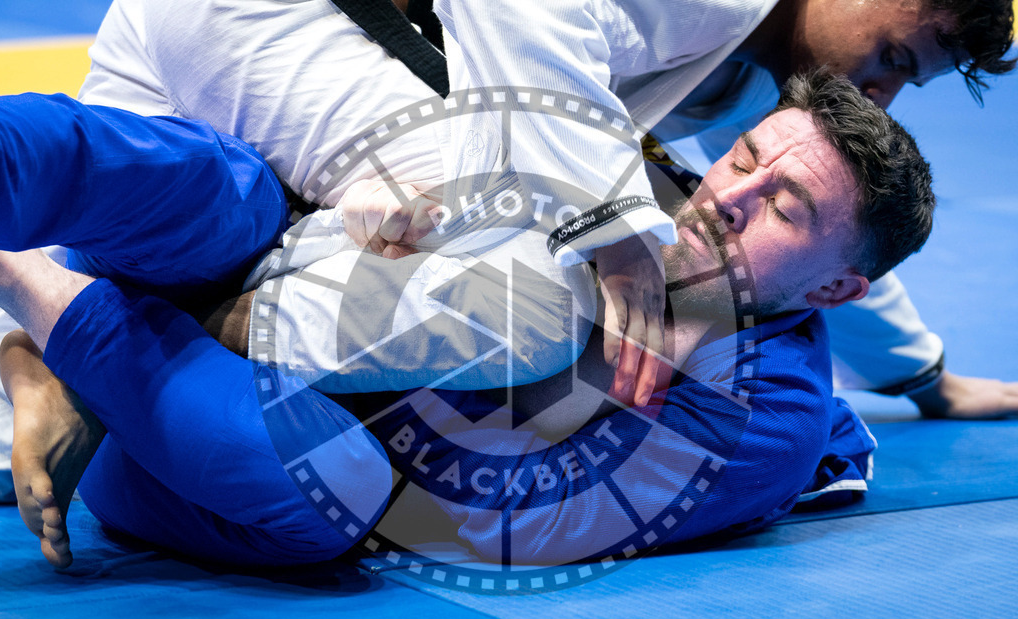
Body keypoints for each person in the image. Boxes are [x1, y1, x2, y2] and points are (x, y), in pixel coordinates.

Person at [1, 70, 932, 569]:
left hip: (193, 445)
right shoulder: (624, 184)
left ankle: (33, 299)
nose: (730, 195)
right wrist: (369, 217)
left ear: (833, 292)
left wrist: (342, 333)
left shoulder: (760, 421)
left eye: (785, 208)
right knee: (230, 189)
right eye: (745, 158)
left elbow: (481, 517)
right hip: (236, 267)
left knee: (340, 490)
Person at [75, 0, 1017, 413]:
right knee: (534, 274)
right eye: (894, 53)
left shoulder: (753, 70)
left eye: (908, 82)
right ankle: (169, 327)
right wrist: (609, 233)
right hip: (263, 21)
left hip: (193, 54)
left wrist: (921, 374)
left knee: (70, 249)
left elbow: (814, 221)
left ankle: (43, 328)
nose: (881, 90)